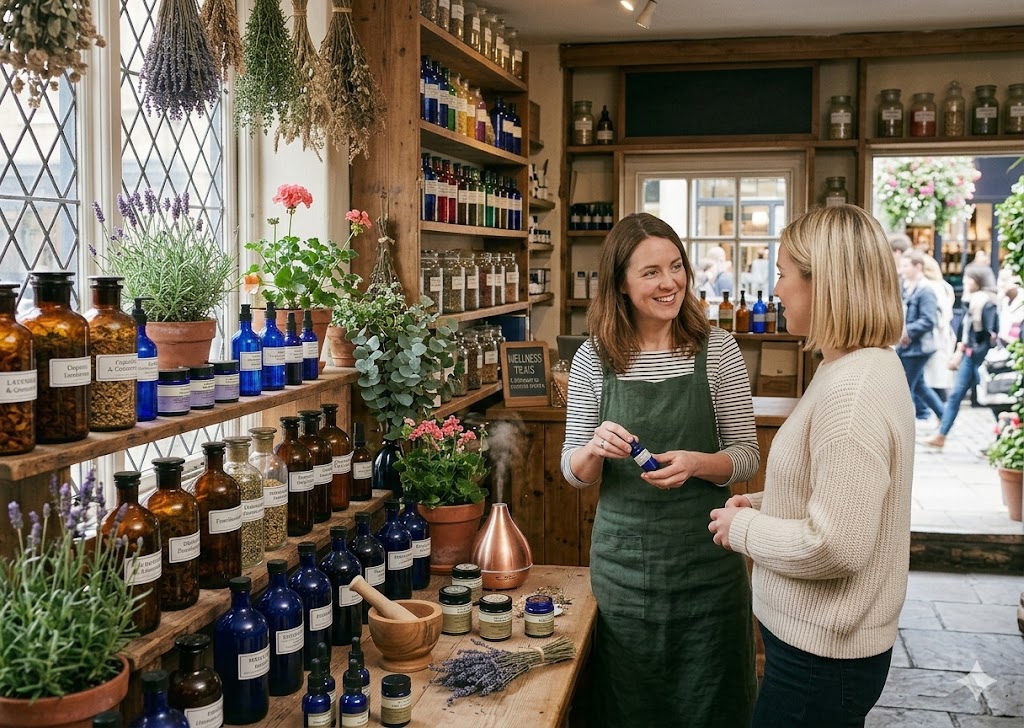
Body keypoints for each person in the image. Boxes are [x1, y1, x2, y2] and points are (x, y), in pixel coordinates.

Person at [708, 204, 914, 728]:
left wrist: (746, 529)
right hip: (819, 651)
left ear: (825, 283)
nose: (775, 289)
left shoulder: (853, 391)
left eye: (782, 274)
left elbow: (838, 544)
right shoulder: (848, 365)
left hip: (822, 659)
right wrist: (759, 503)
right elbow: (834, 491)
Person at [561, 212, 759, 727]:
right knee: (628, 705)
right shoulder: (593, 359)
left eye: (676, 267)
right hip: (626, 572)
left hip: (708, 567)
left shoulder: (717, 351)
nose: (669, 282)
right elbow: (573, 472)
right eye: (650, 272)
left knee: (713, 705)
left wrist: (697, 463)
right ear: (621, 285)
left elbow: (745, 456)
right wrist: (593, 449)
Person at [925, 269, 999, 448]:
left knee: (993, 399)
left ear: (978, 280)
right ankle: (942, 434)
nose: (965, 281)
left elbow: (989, 333)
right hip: (969, 355)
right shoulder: (971, 301)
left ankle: (1000, 441)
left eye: (969, 278)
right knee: (956, 395)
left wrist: (974, 351)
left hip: (980, 357)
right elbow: (965, 330)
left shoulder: (985, 302)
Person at [897, 250, 946, 424]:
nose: (901, 270)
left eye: (905, 266)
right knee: (919, 386)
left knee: (905, 388)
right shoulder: (908, 287)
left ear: (918, 267)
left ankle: (903, 425)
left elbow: (928, 320)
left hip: (918, 348)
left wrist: (906, 331)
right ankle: (945, 417)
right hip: (909, 347)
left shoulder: (925, 290)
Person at [921, 254, 956, 405]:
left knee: (933, 378)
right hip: (942, 336)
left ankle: (940, 413)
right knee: (934, 378)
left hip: (936, 337)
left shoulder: (931, 287)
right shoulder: (944, 286)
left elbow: (939, 315)